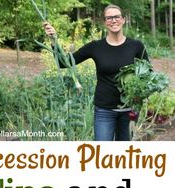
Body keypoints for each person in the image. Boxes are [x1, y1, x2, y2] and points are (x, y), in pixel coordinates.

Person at [44, 4, 149, 141]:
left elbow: (148, 74)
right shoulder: (96, 47)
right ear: (105, 22)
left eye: (117, 17)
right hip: (104, 111)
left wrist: (140, 94)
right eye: (109, 18)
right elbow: (64, 63)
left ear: (123, 20)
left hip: (129, 111)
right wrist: (54, 40)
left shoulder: (136, 46)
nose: (113, 20)